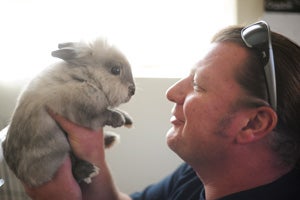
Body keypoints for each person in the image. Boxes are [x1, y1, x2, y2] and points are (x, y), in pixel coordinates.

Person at [24, 20, 300, 200]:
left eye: (197, 85)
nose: (171, 93)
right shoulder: (200, 171)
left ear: (253, 124)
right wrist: (93, 154)